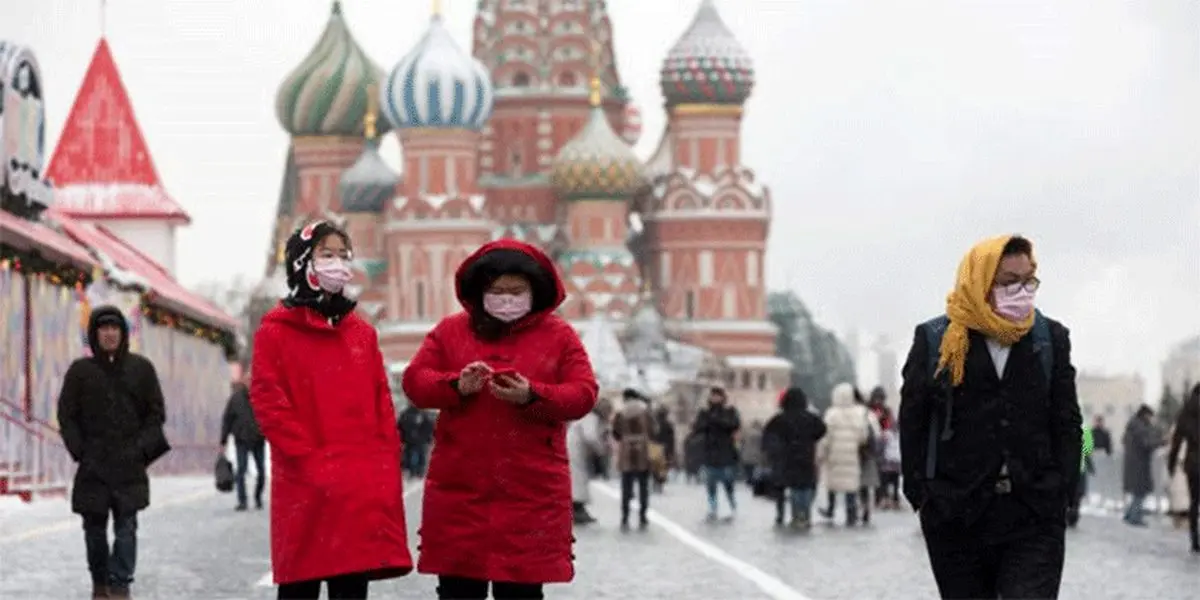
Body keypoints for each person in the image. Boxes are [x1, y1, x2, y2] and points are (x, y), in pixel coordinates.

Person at [401, 239, 599, 600]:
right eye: (497, 291)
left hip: (530, 491)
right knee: (458, 591)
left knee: (521, 592)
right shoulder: (451, 331)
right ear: (480, 291)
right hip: (461, 489)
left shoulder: (559, 336)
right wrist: (456, 385)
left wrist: (533, 395)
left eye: (516, 291)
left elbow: (583, 393)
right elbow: (416, 381)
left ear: (535, 291)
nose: (507, 299)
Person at [899, 234, 1081, 599]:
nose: (1021, 292)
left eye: (1028, 282)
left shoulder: (1050, 339)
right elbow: (914, 420)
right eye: (1009, 282)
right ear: (981, 282)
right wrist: (922, 494)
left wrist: (1064, 487)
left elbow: (1069, 422)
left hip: (1033, 510)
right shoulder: (939, 340)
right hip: (957, 512)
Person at [251, 221, 412, 599]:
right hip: (305, 482)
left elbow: (381, 401)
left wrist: (385, 458)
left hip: (357, 483)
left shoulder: (361, 333)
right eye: (327, 255)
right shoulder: (276, 332)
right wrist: (309, 460)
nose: (338, 264)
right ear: (302, 262)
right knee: (300, 586)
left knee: (351, 586)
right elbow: (268, 401)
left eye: (343, 255)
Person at [58, 306, 171, 600]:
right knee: (94, 531)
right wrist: (80, 450)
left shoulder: (141, 369)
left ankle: (120, 585)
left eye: (115, 328)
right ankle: (99, 584)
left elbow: (155, 414)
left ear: (123, 333)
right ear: (94, 334)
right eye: (103, 328)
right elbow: (67, 416)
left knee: (126, 529)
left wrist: (140, 451)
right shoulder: (80, 372)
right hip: (93, 467)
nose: (109, 334)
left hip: (129, 466)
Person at [762, 387, 827, 530]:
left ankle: (797, 515)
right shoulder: (810, 418)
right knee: (806, 487)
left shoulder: (780, 419)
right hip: (806, 456)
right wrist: (811, 439)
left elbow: (768, 434)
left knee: (795, 488)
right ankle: (806, 514)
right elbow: (822, 429)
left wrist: (776, 449)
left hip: (788, 458)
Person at [816, 383, 871, 525]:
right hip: (851, 456)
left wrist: (820, 454)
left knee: (832, 483)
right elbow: (863, 437)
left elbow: (825, 437)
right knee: (850, 485)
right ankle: (851, 513)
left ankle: (830, 508)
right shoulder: (858, 413)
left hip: (834, 456)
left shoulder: (831, 414)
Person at [691, 386, 742, 521]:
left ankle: (731, 506)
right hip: (710, 453)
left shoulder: (730, 411)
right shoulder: (704, 413)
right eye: (713, 395)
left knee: (728, 483)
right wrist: (709, 422)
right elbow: (698, 427)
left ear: (723, 397)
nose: (715, 398)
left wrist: (717, 421)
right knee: (711, 484)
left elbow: (734, 424)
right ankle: (712, 508)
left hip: (726, 452)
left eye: (717, 395)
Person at [612, 388, 656, 530]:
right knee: (643, 486)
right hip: (643, 451)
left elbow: (616, 433)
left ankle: (625, 517)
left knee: (626, 486)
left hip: (626, 451)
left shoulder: (620, 413)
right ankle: (643, 516)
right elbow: (654, 430)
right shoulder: (646, 411)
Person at [220, 380, 265, 511]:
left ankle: (257, 497)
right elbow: (227, 420)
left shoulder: (262, 397)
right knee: (241, 471)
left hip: (258, 439)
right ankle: (242, 501)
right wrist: (223, 440)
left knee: (261, 471)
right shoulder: (236, 399)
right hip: (242, 439)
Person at [1166, 384, 1199, 552]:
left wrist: (1171, 465)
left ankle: (1195, 541)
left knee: (1194, 502)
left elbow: (1176, 442)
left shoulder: (1186, 413)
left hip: (1193, 464)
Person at [1122, 404, 1164, 527]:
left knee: (1138, 491)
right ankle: (1135, 517)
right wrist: (1163, 441)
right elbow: (1147, 443)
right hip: (1140, 464)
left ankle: (1130, 514)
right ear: (1145, 415)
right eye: (1150, 416)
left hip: (1134, 463)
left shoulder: (1133, 426)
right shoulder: (1140, 428)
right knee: (1140, 491)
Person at [568, 406, 604, 525]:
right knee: (578, 478)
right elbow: (590, 437)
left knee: (577, 477)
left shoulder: (583, 415)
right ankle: (577, 507)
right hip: (577, 449)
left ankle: (577, 507)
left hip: (574, 446)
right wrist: (600, 449)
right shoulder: (590, 417)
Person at [397, 404, 434, 478]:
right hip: (420, 440)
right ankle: (417, 471)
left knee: (410, 455)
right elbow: (429, 427)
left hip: (409, 439)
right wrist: (428, 437)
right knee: (419, 456)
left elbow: (400, 426)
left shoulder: (406, 414)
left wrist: (402, 437)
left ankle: (412, 471)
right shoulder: (423, 415)